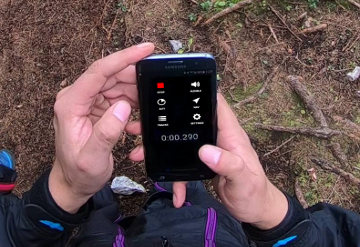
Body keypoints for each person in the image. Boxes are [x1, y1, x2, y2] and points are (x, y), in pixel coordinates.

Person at [0, 43, 359, 247]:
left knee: (105, 211)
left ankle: (136, 189)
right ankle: (167, 183)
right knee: (195, 199)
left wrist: (67, 189)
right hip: (214, 232)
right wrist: (273, 216)